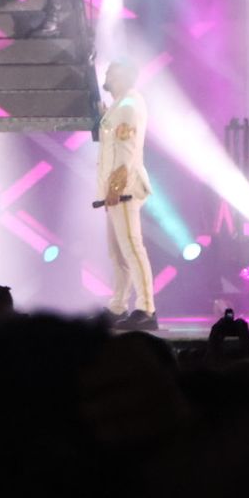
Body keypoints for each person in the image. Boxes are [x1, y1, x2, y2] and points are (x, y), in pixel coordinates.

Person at [97, 61, 157, 330]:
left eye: (112, 71)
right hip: (116, 189)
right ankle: (118, 305)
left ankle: (146, 308)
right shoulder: (120, 104)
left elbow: (127, 149)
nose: (107, 74)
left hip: (125, 189)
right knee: (118, 252)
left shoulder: (130, 105)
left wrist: (117, 187)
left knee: (131, 248)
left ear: (124, 76)